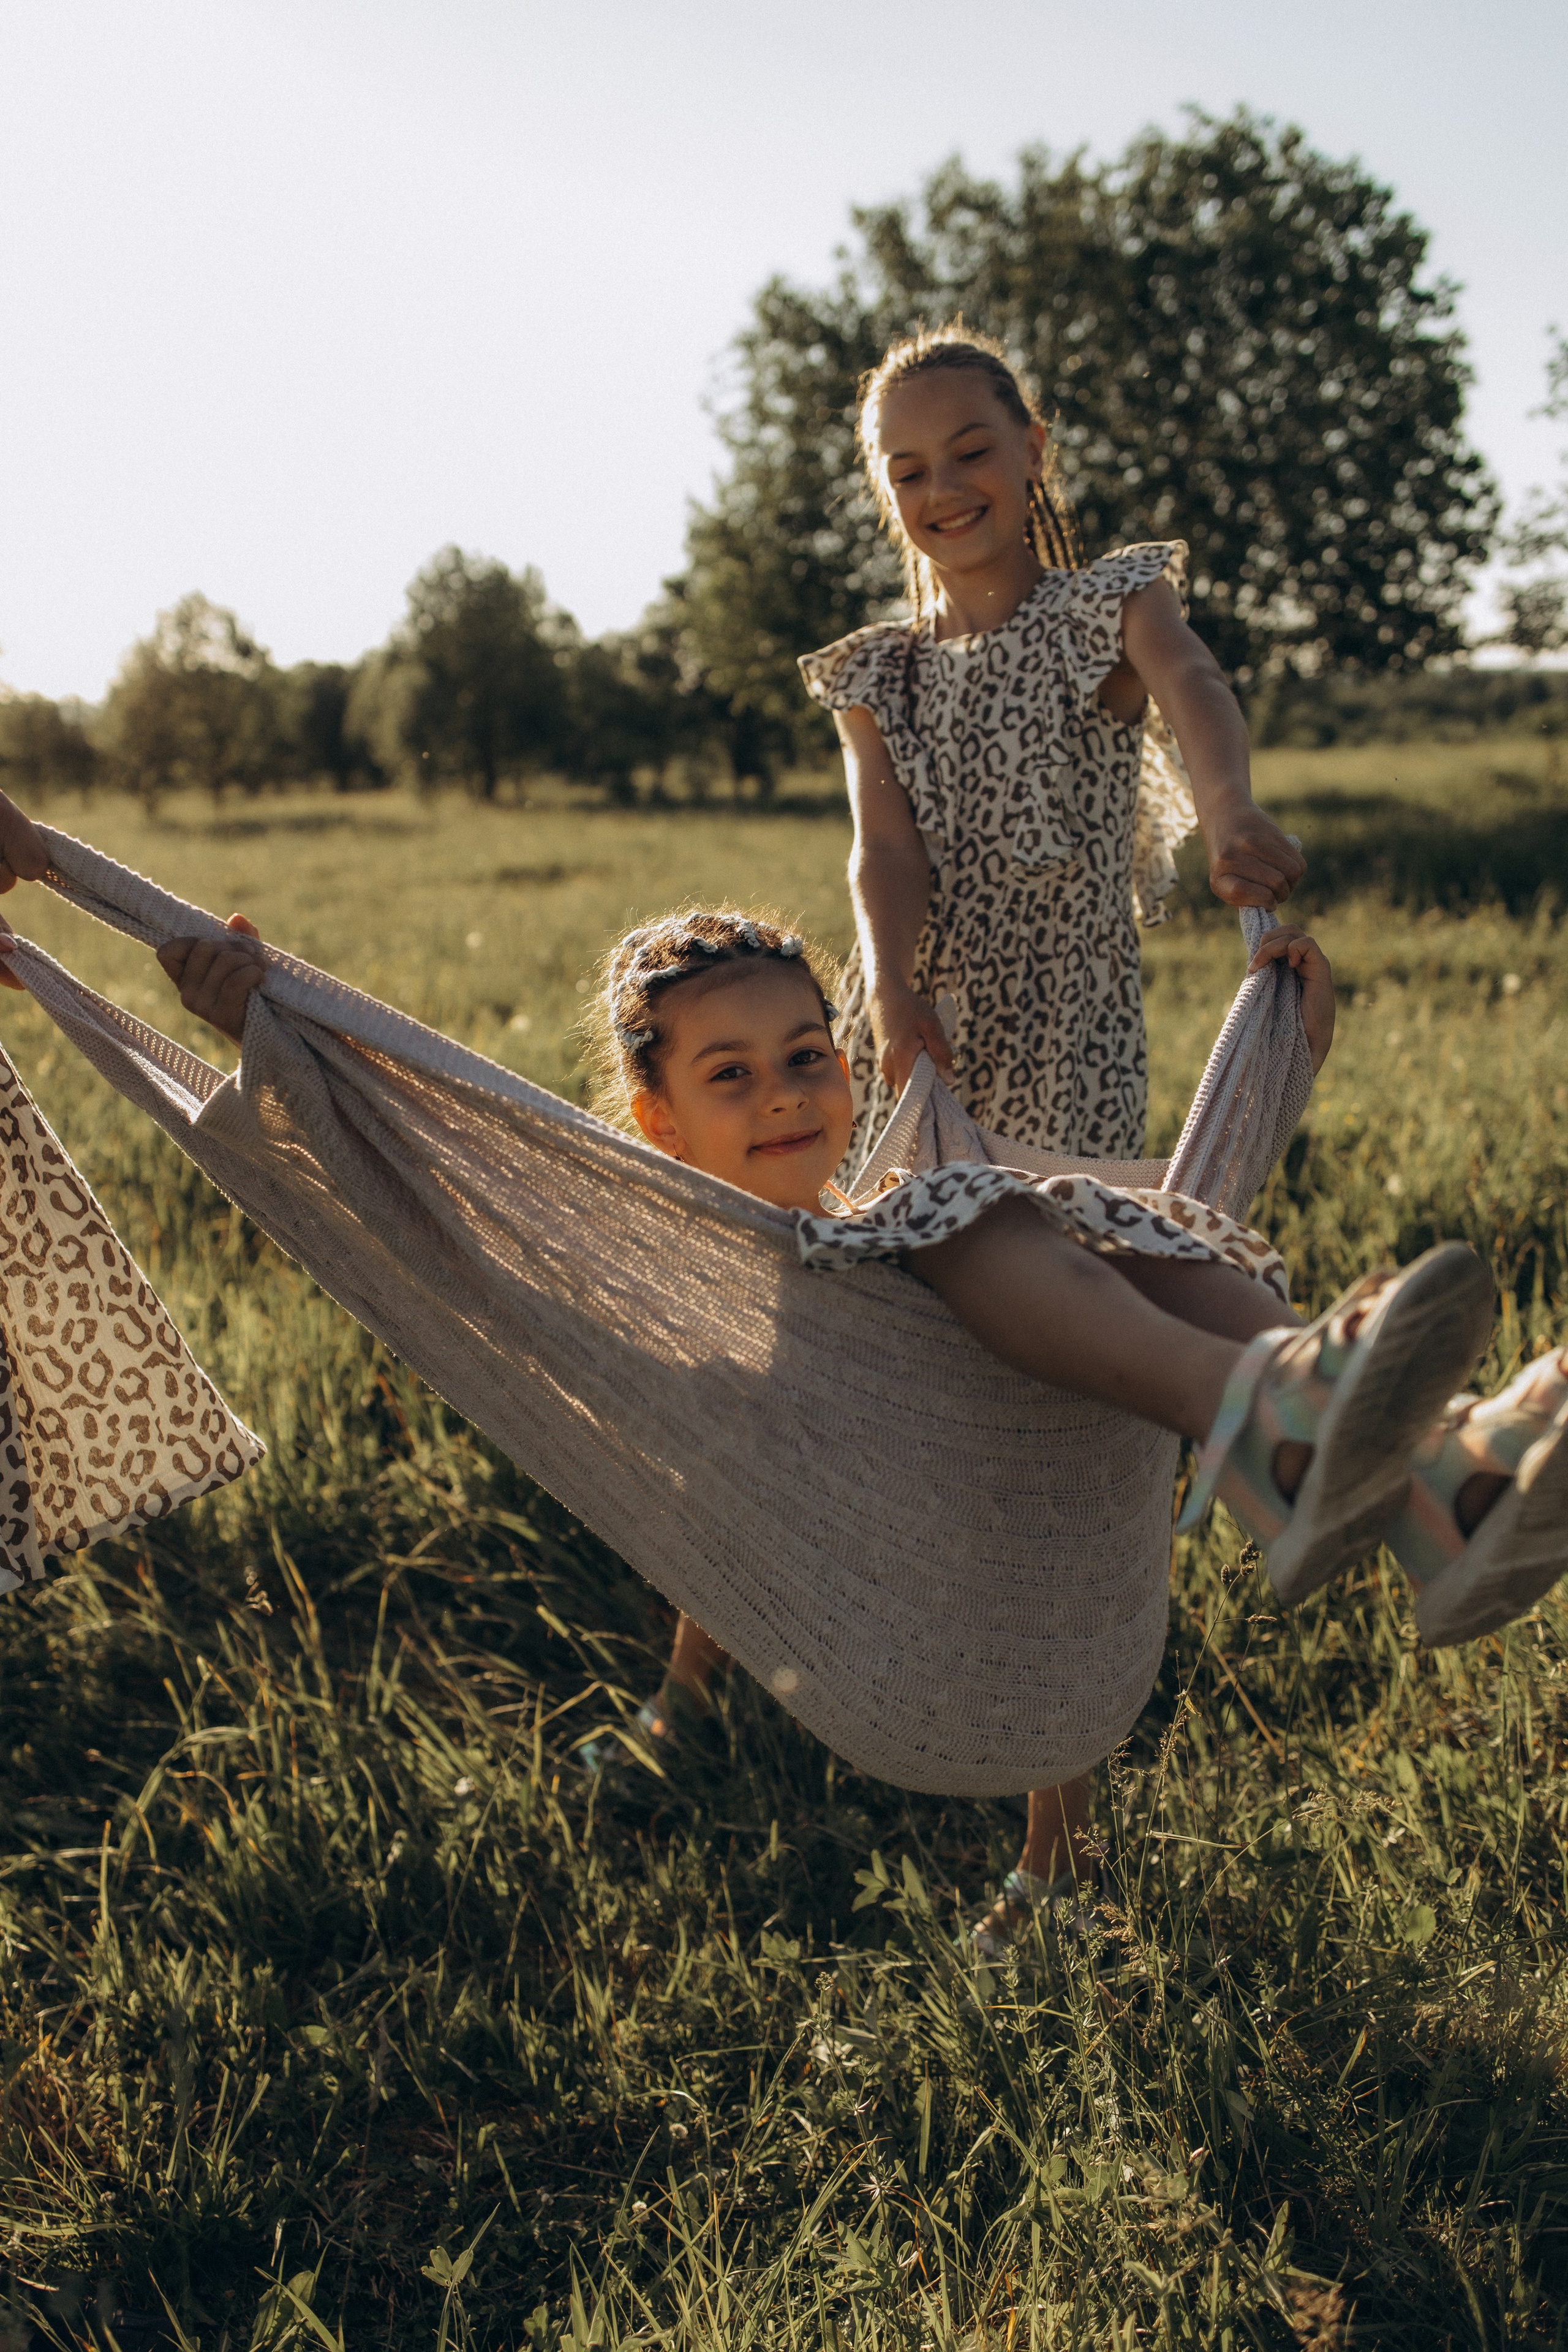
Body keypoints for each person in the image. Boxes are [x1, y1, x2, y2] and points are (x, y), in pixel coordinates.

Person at [119, 898, 1568, 1936]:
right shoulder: (672, 1282)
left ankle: (1433, 1495)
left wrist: (1279, 1050)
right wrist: (279, 1042)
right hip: (882, 1632)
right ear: (652, 1118)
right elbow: (457, 1238)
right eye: (728, 1074)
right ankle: (1278, 1422)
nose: (783, 1093)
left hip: (1007, 1575)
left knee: (1122, 1229)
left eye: (808, 1053)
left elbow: (1047, 1522)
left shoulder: (904, 1232)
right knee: (981, 1213)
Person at [629, 322, 1315, 1944]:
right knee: (809, 1372)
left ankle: (1053, 1856)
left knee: (1060, 1451)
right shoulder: (881, 671)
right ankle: (689, 1695)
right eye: (908, 468)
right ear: (883, 493)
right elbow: (883, 854)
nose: (944, 488)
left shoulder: (1106, 606)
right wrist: (883, 984)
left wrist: (1227, 819)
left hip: (1070, 1085)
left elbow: (1196, 692)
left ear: (1034, 450)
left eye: (971, 451)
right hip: (919, 1064)